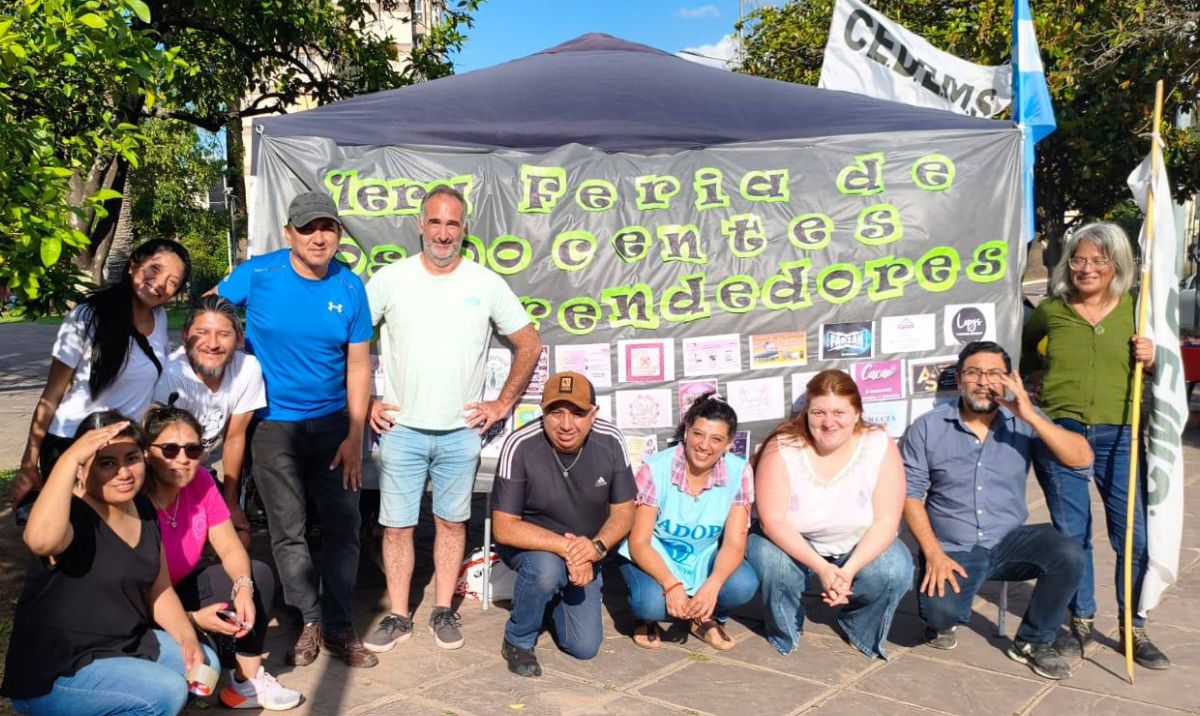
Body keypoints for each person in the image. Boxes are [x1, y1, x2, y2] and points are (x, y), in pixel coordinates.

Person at [364, 185, 543, 653]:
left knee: (450, 524)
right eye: (436, 222)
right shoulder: (390, 279)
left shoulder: (485, 283)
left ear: (464, 230)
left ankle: (443, 610)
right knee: (396, 527)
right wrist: (364, 404)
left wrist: (501, 405)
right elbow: (352, 342)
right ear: (420, 225)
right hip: (400, 429)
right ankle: (399, 615)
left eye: (453, 224)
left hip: (461, 431)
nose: (443, 233)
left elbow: (530, 343)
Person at [217, 190, 376, 668]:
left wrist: (355, 434)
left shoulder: (350, 287)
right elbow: (212, 316)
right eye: (307, 228)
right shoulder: (259, 273)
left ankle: (338, 624)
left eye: (327, 227)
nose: (318, 237)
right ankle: (308, 621)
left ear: (339, 234)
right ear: (289, 234)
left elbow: (360, 366)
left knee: (344, 528)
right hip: (272, 426)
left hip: (333, 429)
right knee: (289, 531)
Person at [1022, 221, 1170, 669]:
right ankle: (1081, 618)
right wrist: (1035, 383)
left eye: (1098, 260)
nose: (1087, 268)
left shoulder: (1137, 312)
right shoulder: (1051, 309)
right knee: (1073, 536)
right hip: (1062, 433)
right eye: (1080, 259)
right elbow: (1026, 354)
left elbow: (1174, 376)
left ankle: (1133, 625)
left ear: (1116, 265)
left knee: (1133, 536)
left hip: (1121, 434)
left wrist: (1155, 356)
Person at [1, 411, 215, 715]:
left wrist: (187, 638)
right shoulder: (69, 513)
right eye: (106, 463)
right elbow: (40, 541)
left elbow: (160, 588)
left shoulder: (142, 508)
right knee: (166, 691)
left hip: (122, 647)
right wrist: (68, 459)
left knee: (205, 664)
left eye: (131, 459)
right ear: (80, 469)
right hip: (58, 670)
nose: (123, 473)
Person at [902, 341, 1090, 680]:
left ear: (1008, 380)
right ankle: (941, 619)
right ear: (959, 380)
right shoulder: (928, 427)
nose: (984, 381)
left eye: (994, 373)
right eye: (974, 373)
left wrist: (1030, 413)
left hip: (1010, 541)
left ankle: (1034, 641)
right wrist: (933, 553)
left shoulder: (1022, 421)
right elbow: (910, 495)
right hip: (954, 549)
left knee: (1069, 553)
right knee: (939, 615)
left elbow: (1081, 458)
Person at [12, 239, 191, 523]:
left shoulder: (160, 319)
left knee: (114, 535)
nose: (160, 284)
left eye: (172, 282)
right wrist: (28, 462)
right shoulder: (87, 316)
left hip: (123, 448)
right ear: (134, 265)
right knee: (71, 536)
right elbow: (52, 395)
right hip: (72, 443)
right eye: (154, 269)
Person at [142, 404, 302, 710]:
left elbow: (229, 546)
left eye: (192, 449)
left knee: (258, 574)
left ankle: (246, 682)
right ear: (148, 452)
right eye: (170, 449)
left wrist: (243, 587)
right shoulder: (136, 497)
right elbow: (136, 590)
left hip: (179, 588)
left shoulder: (200, 481)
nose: (182, 459)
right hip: (139, 605)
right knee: (202, 674)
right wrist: (191, 621)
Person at [747, 370, 913, 660]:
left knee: (895, 570)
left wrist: (846, 572)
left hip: (856, 542)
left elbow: (887, 521)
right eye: (819, 412)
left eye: (839, 411)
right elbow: (773, 520)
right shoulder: (781, 446)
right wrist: (823, 569)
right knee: (775, 564)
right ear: (806, 412)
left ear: (857, 412)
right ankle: (785, 631)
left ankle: (860, 629)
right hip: (793, 540)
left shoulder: (879, 444)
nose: (828, 422)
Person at [489, 372, 636, 676]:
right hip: (532, 546)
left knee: (584, 647)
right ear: (542, 410)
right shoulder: (520, 444)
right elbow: (504, 527)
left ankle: (542, 599)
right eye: (556, 412)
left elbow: (624, 513)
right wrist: (570, 549)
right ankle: (518, 638)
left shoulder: (612, 441)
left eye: (578, 413)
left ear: (593, 413)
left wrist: (594, 549)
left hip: (587, 548)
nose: (566, 424)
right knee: (546, 571)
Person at [619, 393, 758, 652]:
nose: (704, 445)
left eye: (716, 439)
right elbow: (639, 542)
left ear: (728, 444)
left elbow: (734, 542)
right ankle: (647, 618)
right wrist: (671, 584)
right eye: (698, 434)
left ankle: (704, 615)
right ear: (686, 431)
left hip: (702, 559)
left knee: (743, 584)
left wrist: (713, 585)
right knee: (650, 603)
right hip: (654, 557)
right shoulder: (655, 468)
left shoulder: (740, 471)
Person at [153, 295, 266, 548]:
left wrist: (230, 501)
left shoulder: (248, 368)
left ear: (239, 339)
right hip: (165, 472)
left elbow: (235, 438)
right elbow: (159, 452)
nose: (212, 344)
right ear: (185, 336)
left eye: (224, 334)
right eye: (202, 332)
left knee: (237, 534)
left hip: (200, 469)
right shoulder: (171, 376)